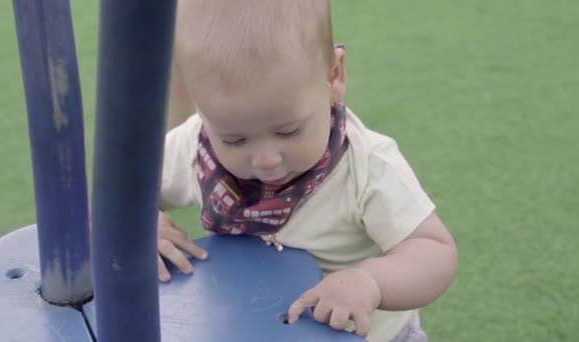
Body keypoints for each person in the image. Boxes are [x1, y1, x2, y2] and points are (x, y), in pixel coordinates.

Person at [158, 1, 457, 341]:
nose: (265, 160)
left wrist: (371, 281)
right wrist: (137, 228)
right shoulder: (196, 148)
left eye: (289, 131)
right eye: (235, 139)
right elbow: (117, 200)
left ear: (334, 77)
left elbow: (434, 250)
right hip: (243, 327)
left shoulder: (367, 166)